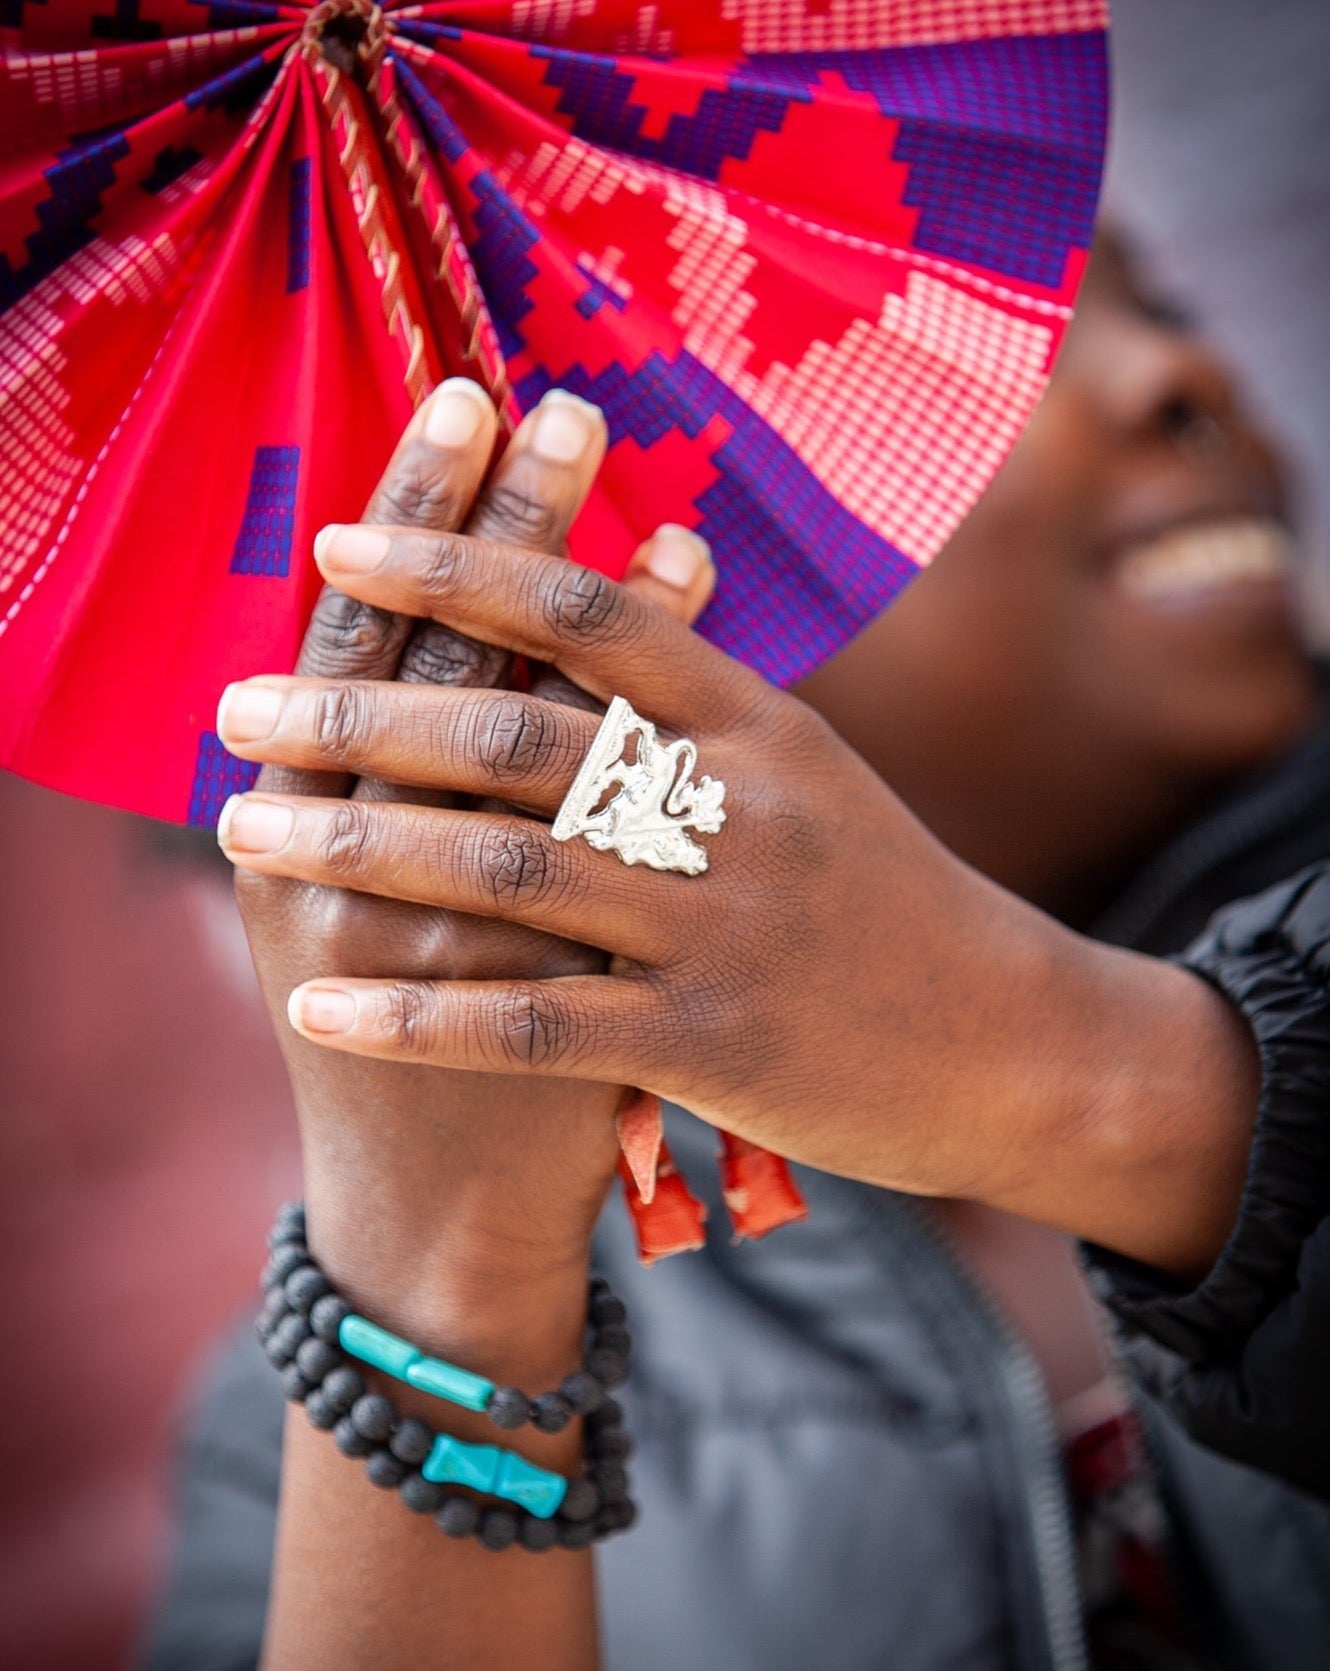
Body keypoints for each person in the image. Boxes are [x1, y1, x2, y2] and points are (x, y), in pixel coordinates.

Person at [144, 242, 1330, 1671]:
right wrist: (446, 1277)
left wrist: (1060, 1064)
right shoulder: (287, 1437)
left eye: (1167, 302)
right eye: (933, 343)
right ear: (562, 580)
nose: (1176, 374)